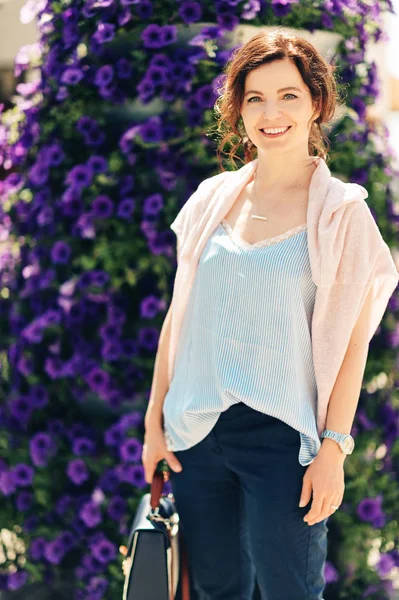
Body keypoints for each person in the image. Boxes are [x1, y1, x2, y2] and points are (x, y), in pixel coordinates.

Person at [142, 28, 397, 600]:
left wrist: (334, 449)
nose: (271, 112)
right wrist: (153, 424)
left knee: (291, 592)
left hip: (285, 443)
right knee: (217, 591)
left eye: (288, 95)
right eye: (254, 97)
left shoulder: (342, 216)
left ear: (316, 105)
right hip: (195, 435)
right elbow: (179, 317)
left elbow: (354, 344)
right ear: (237, 110)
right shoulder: (211, 199)